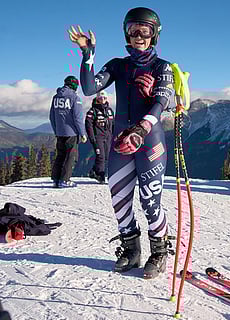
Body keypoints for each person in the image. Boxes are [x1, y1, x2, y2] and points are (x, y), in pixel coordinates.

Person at [68, 7, 175, 279]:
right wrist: (88, 54)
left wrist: (142, 127)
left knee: (150, 202)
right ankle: (131, 250)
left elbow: (161, 102)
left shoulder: (162, 67)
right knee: (119, 201)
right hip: (121, 143)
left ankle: (160, 251)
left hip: (149, 141)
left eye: (145, 30)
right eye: (132, 29)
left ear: (155, 35)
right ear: (126, 33)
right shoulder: (118, 65)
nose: (138, 35)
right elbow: (90, 88)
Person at [49, 75, 87, 188]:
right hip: (71, 133)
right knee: (70, 156)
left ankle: (56, 179)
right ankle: (65, 180)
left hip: (59, 132)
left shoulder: (56, 97)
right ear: (75, 85)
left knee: (60, 155)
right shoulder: (75, 98)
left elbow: (52, 116)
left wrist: (56, 130)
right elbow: (78, 118)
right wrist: (82, 133)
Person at [85, 90, 114, 184]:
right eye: (101, 98)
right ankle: (101, 176)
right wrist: (92, 138)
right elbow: (88, 125)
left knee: (106, 157)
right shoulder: (92, 111)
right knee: (100, 156)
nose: (103, 99)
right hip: (98, 137)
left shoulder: (110, 110)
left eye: (104, 97)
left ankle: (93, 171)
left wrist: (115, 136)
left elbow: (113, 124)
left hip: (108, 137)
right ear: (97, 98)